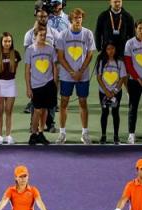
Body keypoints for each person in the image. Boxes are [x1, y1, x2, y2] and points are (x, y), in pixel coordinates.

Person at [55, 8, 96, 144]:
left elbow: (90, 54)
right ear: (71, 19)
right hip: (67, 76)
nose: (78, 20)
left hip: (82, 76)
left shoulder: (88, 34)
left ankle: (85, 133)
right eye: (75, 18)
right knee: (64, 103)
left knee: (83, 102)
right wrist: (72, 72)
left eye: (80, 18)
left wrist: (81, 71)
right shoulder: (63, 35)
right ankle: (62, 134)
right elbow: (60, 57)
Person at [24, 4, 60, 132]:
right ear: (36, 16)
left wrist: (56, 77)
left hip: (50, 75)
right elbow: (28, 55)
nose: (42, 19)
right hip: (36, 77)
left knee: (50, 103)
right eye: (40, 16)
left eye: (44, 16)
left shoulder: (54, 33)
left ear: (48, 17)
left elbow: (57, 54)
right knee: (36, 104)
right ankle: (33, 127)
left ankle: (50, 124)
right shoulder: (29, 34)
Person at [25, 26, 57, 146]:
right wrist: (28, 87)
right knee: (37, 110)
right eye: (40, 35)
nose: (43, 37)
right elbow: (27, 70)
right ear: (35, 36)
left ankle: (41, 132)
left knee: (45, 110)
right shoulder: (30, 50)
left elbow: (54, 67)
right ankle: (33, 134)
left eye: (44, 35)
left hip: (49, 84)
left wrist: (55, 83)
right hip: (36, 85)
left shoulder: (50, 49)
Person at [0, 31, 21, 145]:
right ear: (1, 42)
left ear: (11, 42)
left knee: (9, 111)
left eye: (9, 41)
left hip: (11, 84)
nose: (7, 43)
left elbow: (14, 68)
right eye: (5, 41)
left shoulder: (16, 54)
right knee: (0, 111)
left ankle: (8, 136)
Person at [95, 41, 126, 144]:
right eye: (108, 49)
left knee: (115, 112)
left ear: (115, 50)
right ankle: (103, 135)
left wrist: (115, 91)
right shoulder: (101, 61)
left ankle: (116, 136)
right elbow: (99, 77)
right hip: (103, 92)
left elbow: (122, 78)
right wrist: (106, 91)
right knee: (104, 112)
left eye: (112, 48)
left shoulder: (120, 62)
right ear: (105, 50)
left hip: (116, 92)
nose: (110, 51)